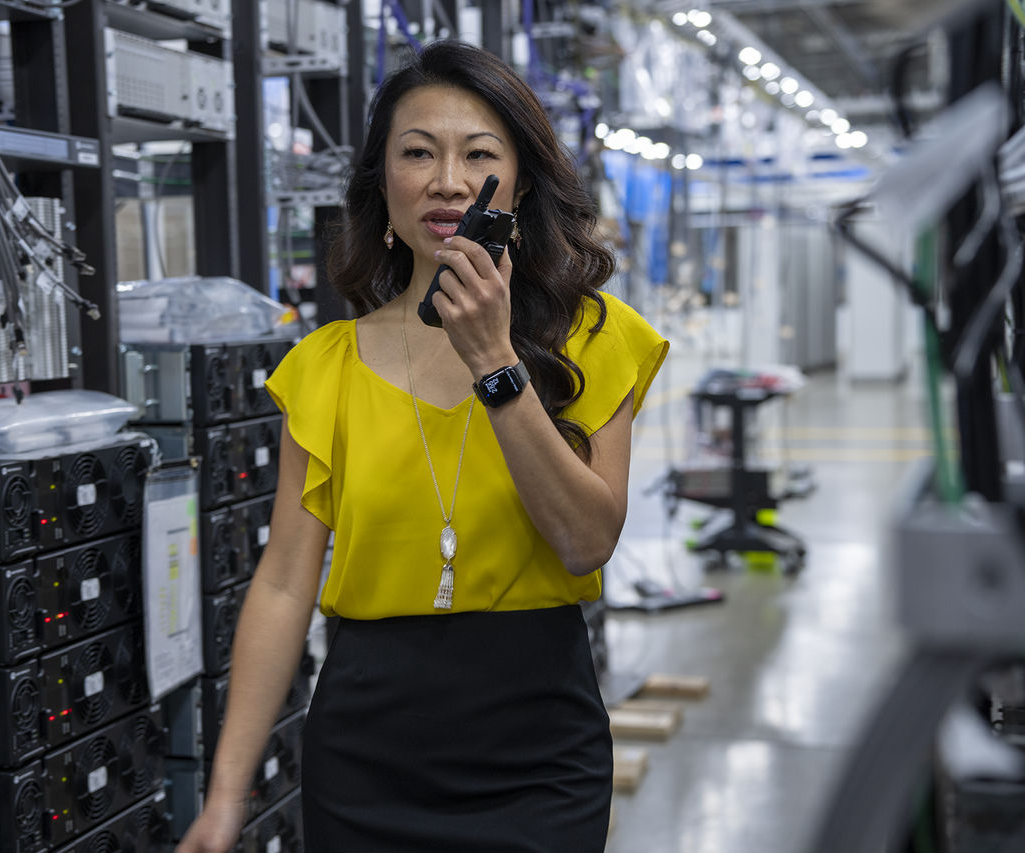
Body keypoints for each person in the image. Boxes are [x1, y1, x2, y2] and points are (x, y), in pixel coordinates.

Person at [176, 40, 668, 853]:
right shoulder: (324, 368)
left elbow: (587, 541)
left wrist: (496, 362)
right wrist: (227, 795)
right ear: (381, 184)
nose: (445, 180)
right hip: (366, 751)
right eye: (416, 152)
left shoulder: (593, 339)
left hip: (537, 749)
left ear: (520, 183)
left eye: (478, 154)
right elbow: (283, 582)